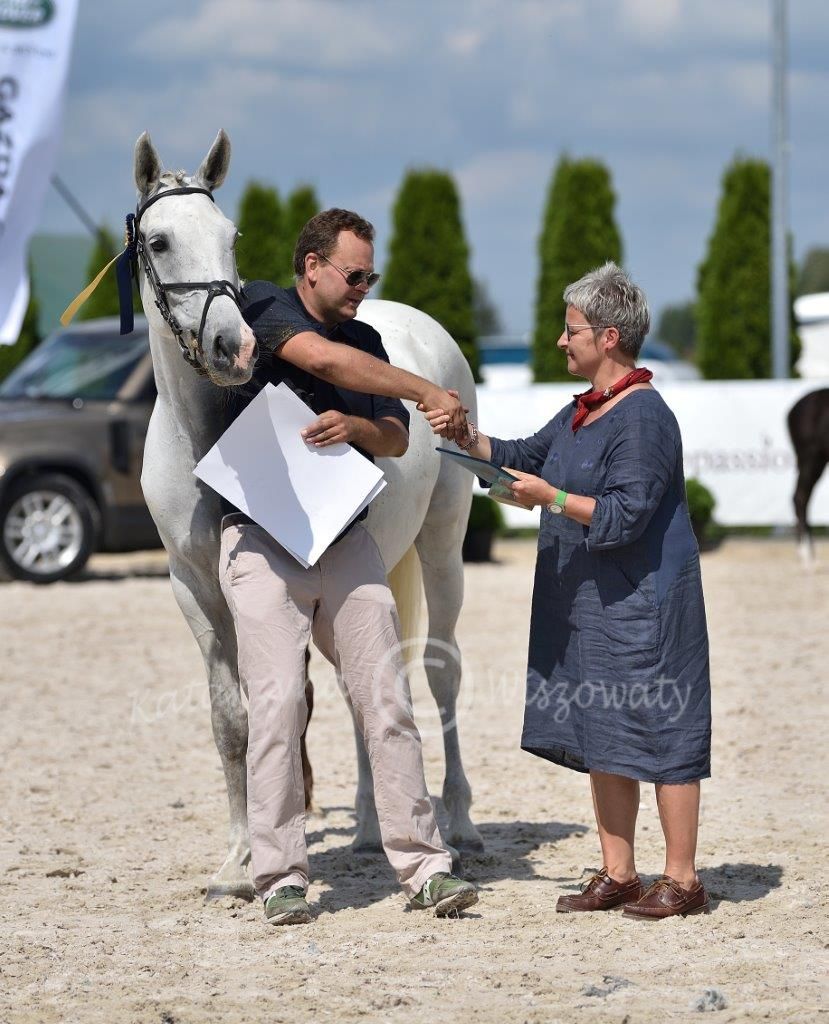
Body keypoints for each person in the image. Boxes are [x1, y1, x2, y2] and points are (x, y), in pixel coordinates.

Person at [426, 262, 711, 921]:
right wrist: (464, 437)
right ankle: (620, 873)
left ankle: (683, 878)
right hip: (595, 603)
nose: (560, 339)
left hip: (644, 605)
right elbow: (524, 455)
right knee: (603, 729)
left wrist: (550, 499)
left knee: (665, 730)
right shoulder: (584, 409)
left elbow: (625, 515)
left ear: (608, 337)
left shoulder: (643, 417)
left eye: (571, 329)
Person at [219, 208, 478, 925]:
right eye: (355, 275)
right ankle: (280, 878)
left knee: (387, 701)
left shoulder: (367, 338)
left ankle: (425, 867)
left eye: (371, 277)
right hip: (262, 540)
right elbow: (325, 363)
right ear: (311, 267)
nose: (365, 288)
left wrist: (358, 426)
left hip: (345, 539)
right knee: (277, 708)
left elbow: (393, 439)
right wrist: (427, 390)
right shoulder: (262, 305)